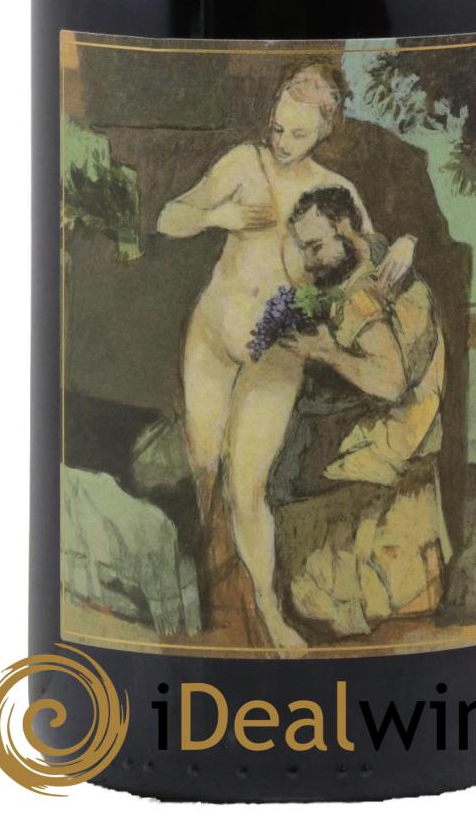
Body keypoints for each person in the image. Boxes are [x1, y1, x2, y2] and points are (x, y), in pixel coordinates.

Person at [156, 60, 411, 649]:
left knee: (247, 487)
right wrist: (216, 216)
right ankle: (198, 578)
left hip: (278, 350)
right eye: (277, 128)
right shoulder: (242, 163)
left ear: (325, 131)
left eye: (298, 134)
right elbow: (170, 217)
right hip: (213, 338)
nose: (283, 142)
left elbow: (369, 256)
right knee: (203, 463)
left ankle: (268, 611)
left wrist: (405, 243)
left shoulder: (336, 191)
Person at [275, 186, 452, 639]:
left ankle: (346, 603)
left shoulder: (360, 295)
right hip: (420, 416)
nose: (309, 261)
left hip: (399, 427)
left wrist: (325, 352)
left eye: (315, 247)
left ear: (343, 228)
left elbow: (390, 382)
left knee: (291, 478)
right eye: (303, 249)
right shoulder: (376, 256)